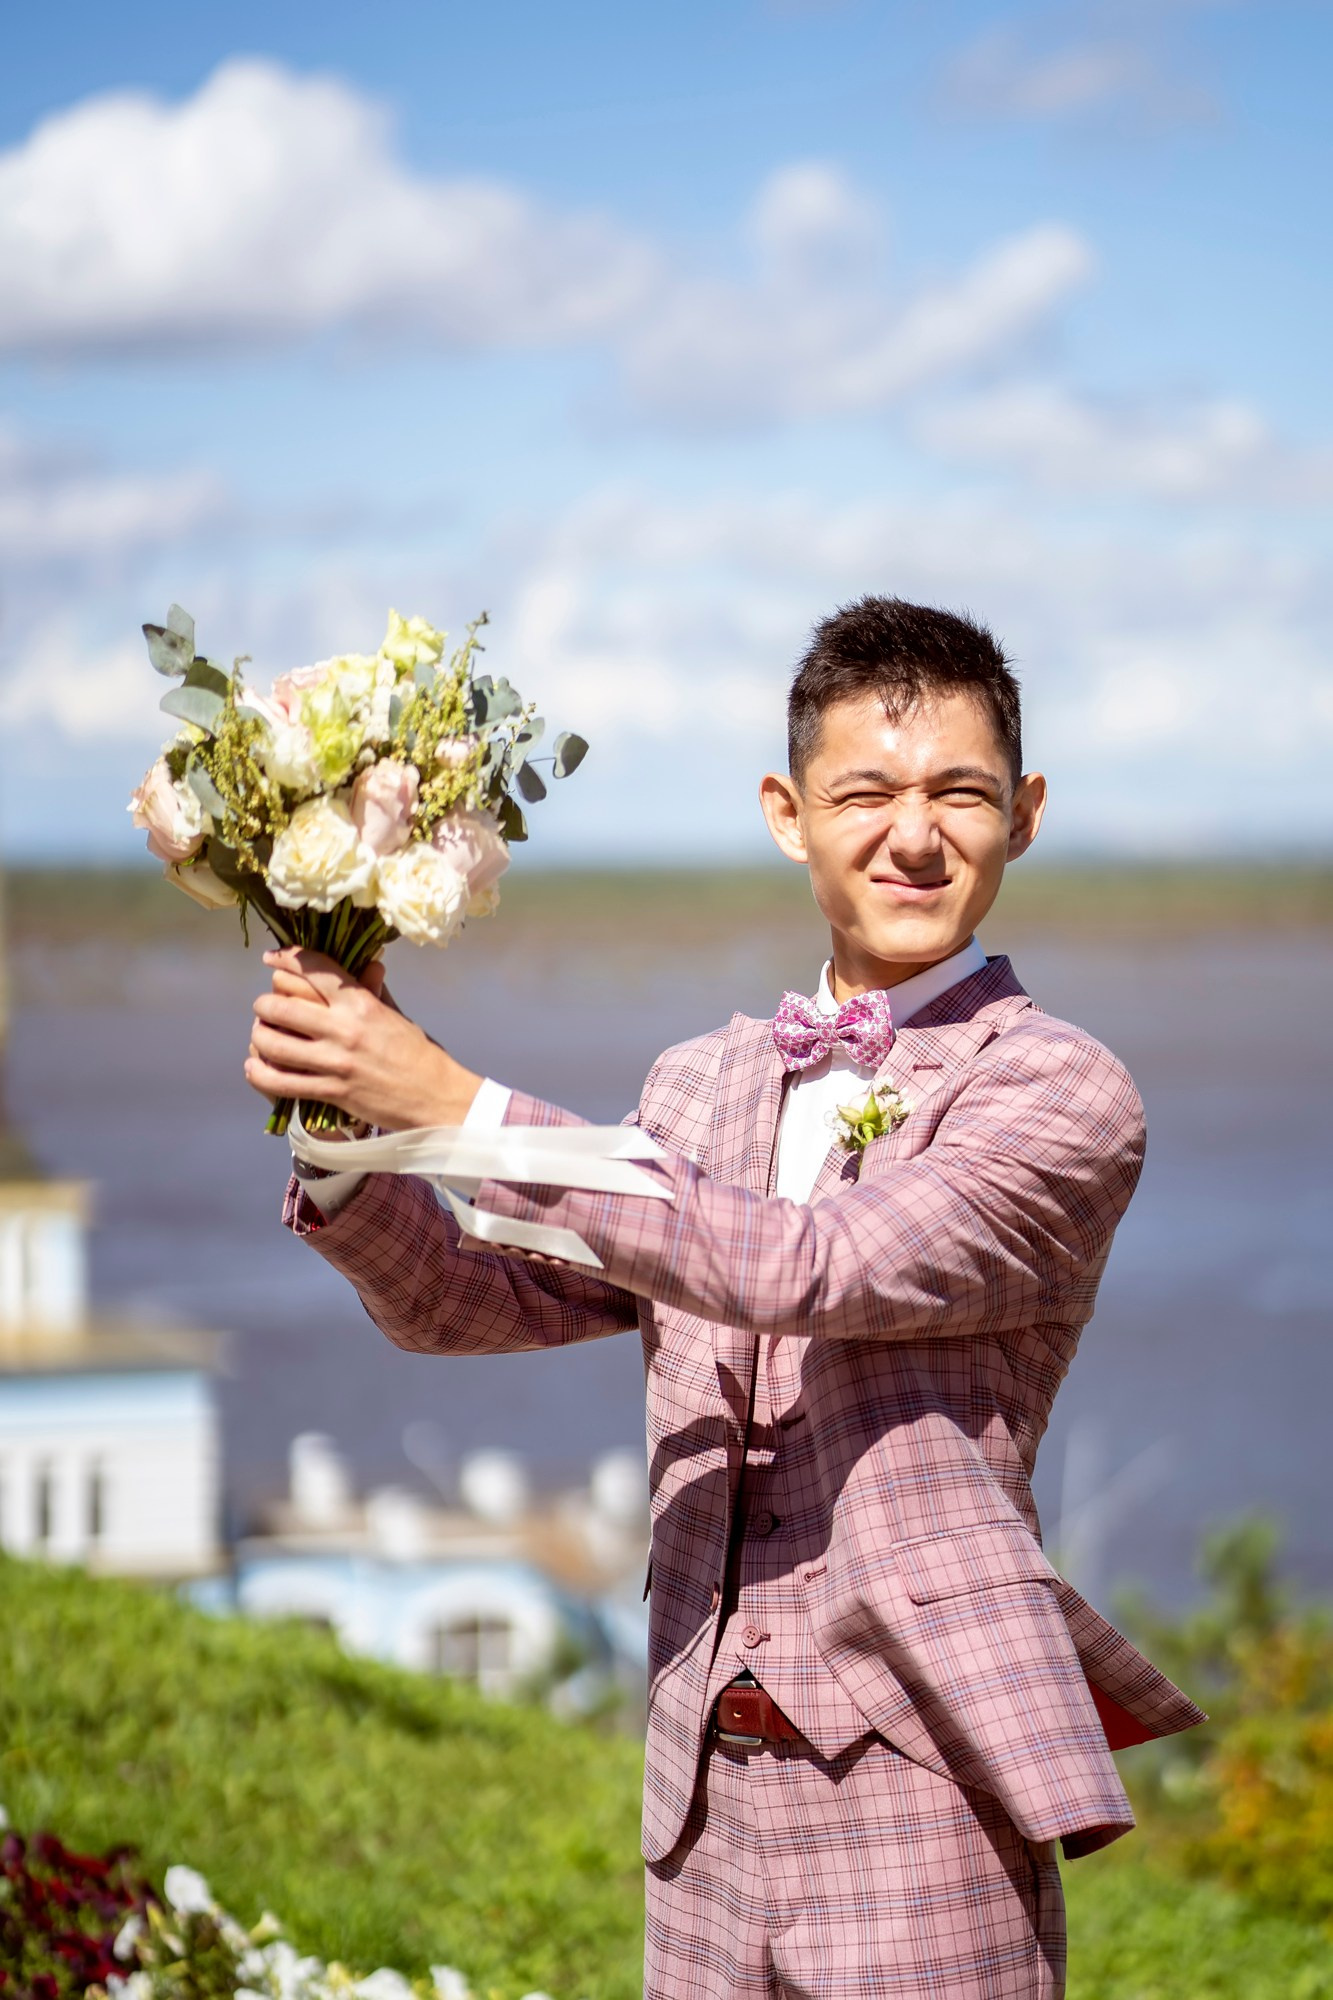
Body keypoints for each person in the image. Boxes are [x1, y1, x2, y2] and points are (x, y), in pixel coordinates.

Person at [245, 596, 1203, 2000]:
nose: (914, 835)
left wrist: (451, 1101)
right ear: (786, 814)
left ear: (1025, 813)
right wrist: (347, 1120)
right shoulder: (697, 1084)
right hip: (695, 1803)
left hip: (920, 1797)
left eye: (959, 793)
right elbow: (458, 1298)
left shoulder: (1061, 1090)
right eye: (865, 794)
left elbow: (808, 1265)